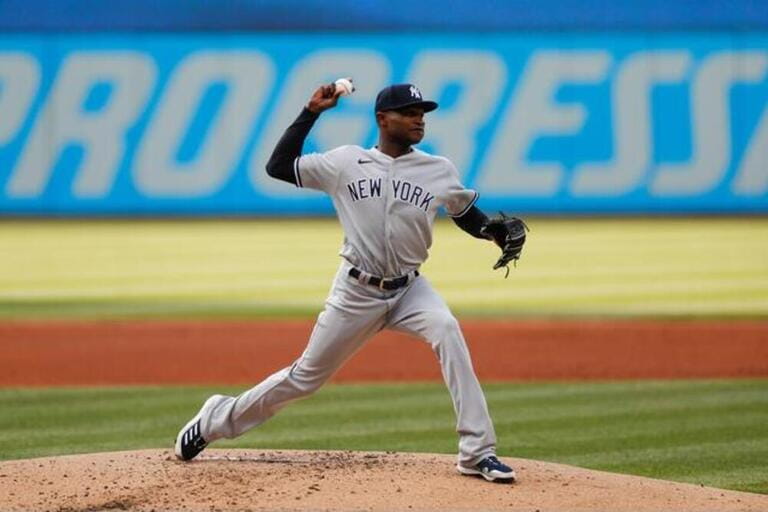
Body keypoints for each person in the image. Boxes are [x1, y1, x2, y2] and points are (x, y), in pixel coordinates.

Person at [174, 82, 516, 482]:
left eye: (422, 111)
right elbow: (279, 166)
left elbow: (464, 213)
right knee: (304, 378)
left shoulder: (438, 169)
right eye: (409, 111)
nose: (419, 118)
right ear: (382, 119)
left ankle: (477, 452)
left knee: (447, 329)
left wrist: (494, 233)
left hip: (410, 290)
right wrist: (311, 111)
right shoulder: (344, 162)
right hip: (356, 292)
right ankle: (217, 418)